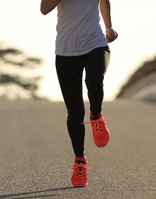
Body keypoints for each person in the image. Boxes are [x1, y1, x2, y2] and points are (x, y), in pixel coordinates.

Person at [40, 0, 118, 187]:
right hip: (66, 51)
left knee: (94, 80)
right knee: (74, 112)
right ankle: (80, 161)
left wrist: (108, 26)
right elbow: (44, 9)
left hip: (96, 43)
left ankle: (96, 116)